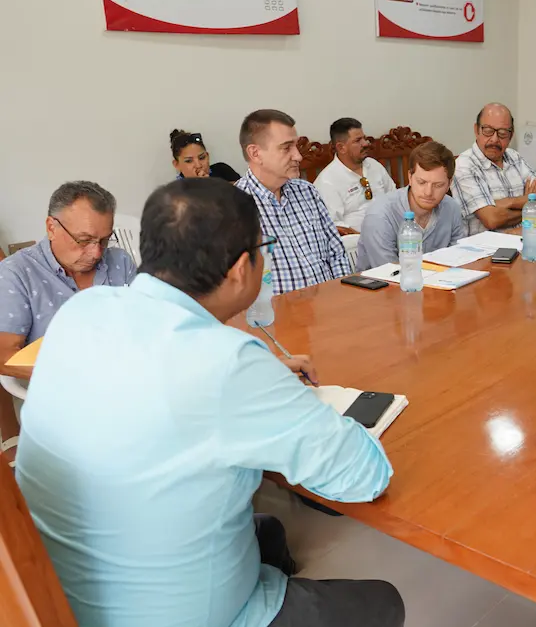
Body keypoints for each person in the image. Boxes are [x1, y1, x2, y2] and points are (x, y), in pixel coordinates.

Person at [15, 178, 404, 627]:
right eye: (264, 248)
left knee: (269, 532)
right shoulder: (229, 364)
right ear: (242, 268)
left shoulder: (83, 312)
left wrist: (262, 383)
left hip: (56, 593)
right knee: (383, 601)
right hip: (165, 616)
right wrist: (277, 394)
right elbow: (365, 476)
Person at [0, 181, 136, 466]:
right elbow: (5, 355)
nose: (96, 253)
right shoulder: (16, 275)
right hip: (65, 403)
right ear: (52, 227)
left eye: (104, 239)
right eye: (84, 240)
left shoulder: (119, 261)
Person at [235, 109, 351, 294]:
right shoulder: (233, 208)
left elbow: (337, 253)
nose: (298, 156)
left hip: (329, 307)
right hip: (275, 318)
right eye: (286, 147)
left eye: (296, 146)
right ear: (255, 153)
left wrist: (340, 298)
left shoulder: (307, 192)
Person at [356, 141, 464, 270]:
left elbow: (459, 260)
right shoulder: (379, 216)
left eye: (438, 185)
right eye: (421, 182)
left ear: (449, 183)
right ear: (410, 177)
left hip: (440, 284)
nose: (428, 192)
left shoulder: (452, 208)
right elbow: (390, 273)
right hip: (385, 287)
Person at [451, 103, 536, 235]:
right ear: (476, 130)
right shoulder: (464, 165)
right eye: (488, 131)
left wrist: (507, 203)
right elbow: (492, 219)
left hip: (524, 240)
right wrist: (529, 203)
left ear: (511, 136)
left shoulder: (514, 157)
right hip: (486, 249)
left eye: (502, 133)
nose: (494, 139)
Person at [314, 118, 396, 235]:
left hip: (391, 233)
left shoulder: (373, 165)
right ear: (341, 147)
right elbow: (335, 225)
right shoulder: (327, 182)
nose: (365, 143)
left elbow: (394, 196)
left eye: (364, 138)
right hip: (357, 244)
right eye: (358, 140)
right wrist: (367, 239)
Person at [170, 129, 241, 182]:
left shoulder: (222, 170)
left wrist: (213, 184)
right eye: (189, 161)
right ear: (176, 164)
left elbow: (247, 193)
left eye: (202, 158)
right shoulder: (175, 192)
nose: (198, 165)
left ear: (207, 156)